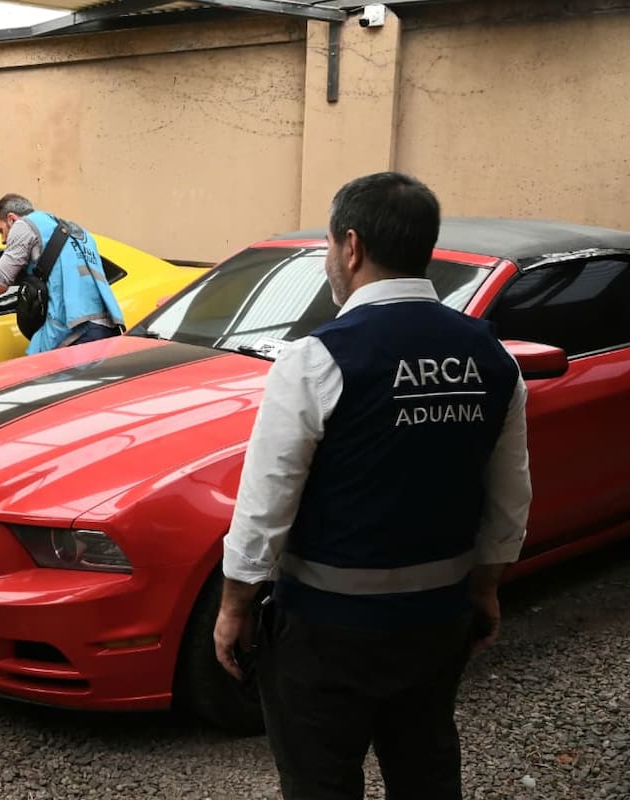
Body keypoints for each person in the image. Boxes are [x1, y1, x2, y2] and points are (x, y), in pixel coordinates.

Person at [213, 172, 532, 799]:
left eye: (330, 247)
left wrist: (234, 607)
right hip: (437, 621)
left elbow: (266, 502)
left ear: (351, 247)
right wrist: (487, 589)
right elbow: (509, 495)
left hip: (326, 632)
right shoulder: (492, 357)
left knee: (321, 781)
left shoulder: (317, 357)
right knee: (426, 769)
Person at [0, 193, 124, 354]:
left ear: (12, 219)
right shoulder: (77, 232)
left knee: (35, 372)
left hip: (75, 328)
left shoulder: (24, 226)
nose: (3, 240)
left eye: (1, 230)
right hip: (107, 325)